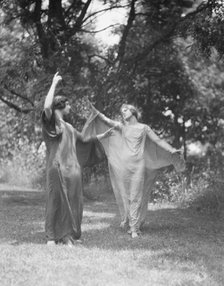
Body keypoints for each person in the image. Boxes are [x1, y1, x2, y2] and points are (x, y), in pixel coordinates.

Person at [82, 103, 185, 238]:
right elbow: (106, 120)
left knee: (136, 196)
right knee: (126, 196)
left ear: (133, 111)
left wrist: (172, 150)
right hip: (123, 166)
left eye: (125, 110)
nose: (123, 113)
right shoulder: (122, 127)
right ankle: (129, 220)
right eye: (121, 111)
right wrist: (96, 112)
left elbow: (158, 140)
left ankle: (134, 228)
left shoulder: (144, 128)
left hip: (138, 166)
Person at [41, 72, 111, 246]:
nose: (70, 107)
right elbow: (47, 106)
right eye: (68, 104)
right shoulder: (51, 122)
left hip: (72, 169)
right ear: (61, 105)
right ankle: (51, 236)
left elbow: (85, 140)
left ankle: (67, 235)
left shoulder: (69, 127)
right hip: (56, 167)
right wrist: (53, 83)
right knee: (56, 199)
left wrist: (104, 135)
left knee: (73, 201)